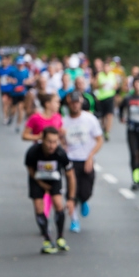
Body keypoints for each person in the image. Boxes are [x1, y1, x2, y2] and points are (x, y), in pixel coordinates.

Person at [25, 127, 76, 254]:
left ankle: (60, 237)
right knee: (38, 206)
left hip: (54, 179)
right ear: (42, 139)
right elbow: (30, 169)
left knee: (58, 203)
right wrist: (41, 184)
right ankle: (47, 239)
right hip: (37, 179)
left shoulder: (60, 153)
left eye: (54, 142)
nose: (52, 145)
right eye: (49, 141)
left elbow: (70, 176)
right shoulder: (33, 152)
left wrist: (71, 199)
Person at [61, 91, 104, 233]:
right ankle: (74, 220)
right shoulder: (64, 121)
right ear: (69, 104)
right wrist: (62, 144)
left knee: (86, 191)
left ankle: (84, 199)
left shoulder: (89, 119)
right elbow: (59, 140)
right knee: (71, 192)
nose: (75, 105)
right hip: (70, 160)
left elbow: (99, 139)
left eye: (77, 102)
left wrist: (90, 156)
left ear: (81, 103)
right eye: (73, 103)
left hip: (86, 159)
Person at [92, 58, 118, 141]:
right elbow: (94, 86)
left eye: (108, 67)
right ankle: (104, 127)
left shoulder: (112, 75)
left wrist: (114, 87)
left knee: (110, 115)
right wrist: (100, 86)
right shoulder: (99, 75)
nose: (106, 69)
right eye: (105, 67)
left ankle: (107, 131)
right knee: (103, 116)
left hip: (110, 96)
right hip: (101, 97)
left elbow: (116, 85)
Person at [7, 57, 32, 132]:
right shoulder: (13, 71)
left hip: (22, 92)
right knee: (13, 109)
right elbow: (8, 78)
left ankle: (18, 125)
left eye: (21, 64)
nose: (20, 66)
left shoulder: (26, 71)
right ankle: (11, 116)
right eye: (19, 64)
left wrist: (27, 81)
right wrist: (11, 80)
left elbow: (30, 80)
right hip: (14, 93)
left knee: (21, 109)